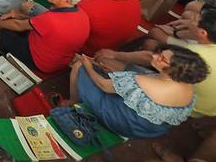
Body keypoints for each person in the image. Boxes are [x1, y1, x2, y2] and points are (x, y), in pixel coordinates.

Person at [68, 46, 208, 138]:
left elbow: (103, 85)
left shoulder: (141, 81)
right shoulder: (190, 89)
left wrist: (88, 66)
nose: (155, 57)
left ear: (175, 70)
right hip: (150, 130)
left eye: (162, 59)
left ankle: (71, 103)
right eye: (160, 54)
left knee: (79, 66)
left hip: (123, 123)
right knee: (111, 68)